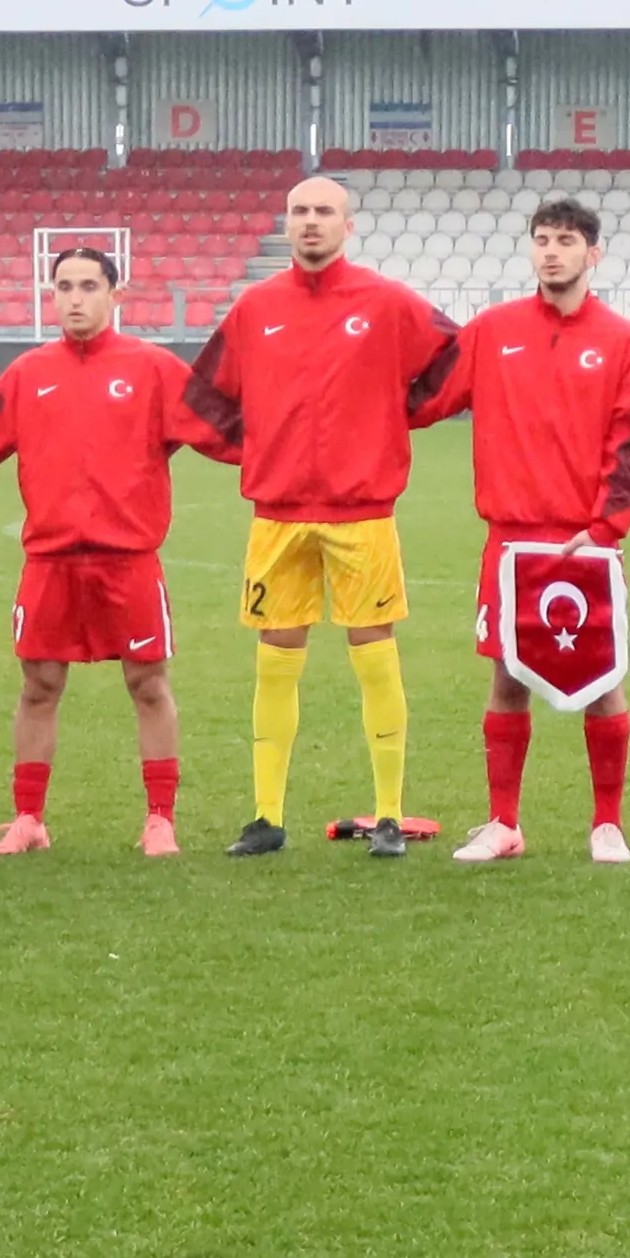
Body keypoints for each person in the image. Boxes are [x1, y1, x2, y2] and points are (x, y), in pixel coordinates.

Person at [180, 172, 467, 859]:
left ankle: (390, 815)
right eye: (300, 211)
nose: (311, 221)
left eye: (325, 211)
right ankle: (265, 817)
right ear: (286, 223)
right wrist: (255, 450)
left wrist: (400, 417)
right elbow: (203, 396)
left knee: (374, 650)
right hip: (278, 513)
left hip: (360, 511)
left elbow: (457, 360)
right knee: (276, 656)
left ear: (348, 224)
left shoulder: (386, 301)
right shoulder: (255, 307)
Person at [0, 239, 200, 855]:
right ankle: (28, 819)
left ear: (116, 294)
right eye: (64, 287)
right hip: (51, 561)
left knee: (148, 684)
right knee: (38, 686)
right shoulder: (28, 374)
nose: (75, 299)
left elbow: (219, 430)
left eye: (89, 286)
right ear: (50, 296)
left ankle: (159, 819)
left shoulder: (155, 369)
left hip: (128, 560)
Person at [453, 198, 630, 866]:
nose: (551, 251)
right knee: (507, 674)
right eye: (542, 239)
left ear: (593, 253)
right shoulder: (492, 331)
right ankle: (503, 822)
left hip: (583, 541)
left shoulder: (623, 341)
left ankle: (607, 824)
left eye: (565, 240)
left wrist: (605, 528)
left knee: (602, 678)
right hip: (510, 539)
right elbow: (425, 393)